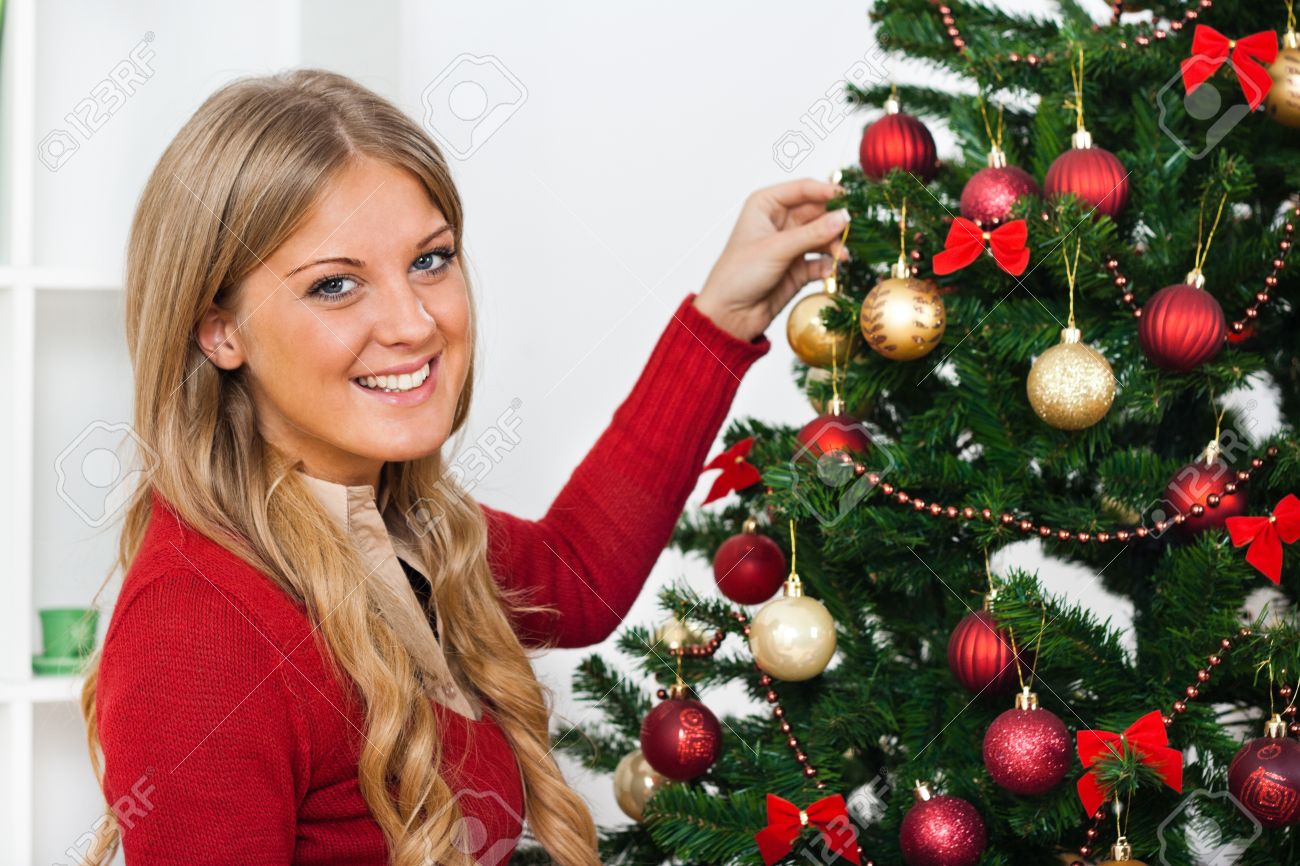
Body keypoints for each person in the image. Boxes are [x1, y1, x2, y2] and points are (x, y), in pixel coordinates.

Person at [79, 68, 851, 866]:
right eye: (335, 285)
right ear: (220, 333)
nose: (414, 323)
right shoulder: (197, 625)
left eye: (430, 261)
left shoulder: (394, 528)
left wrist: (724, 317)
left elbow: (576, 574)